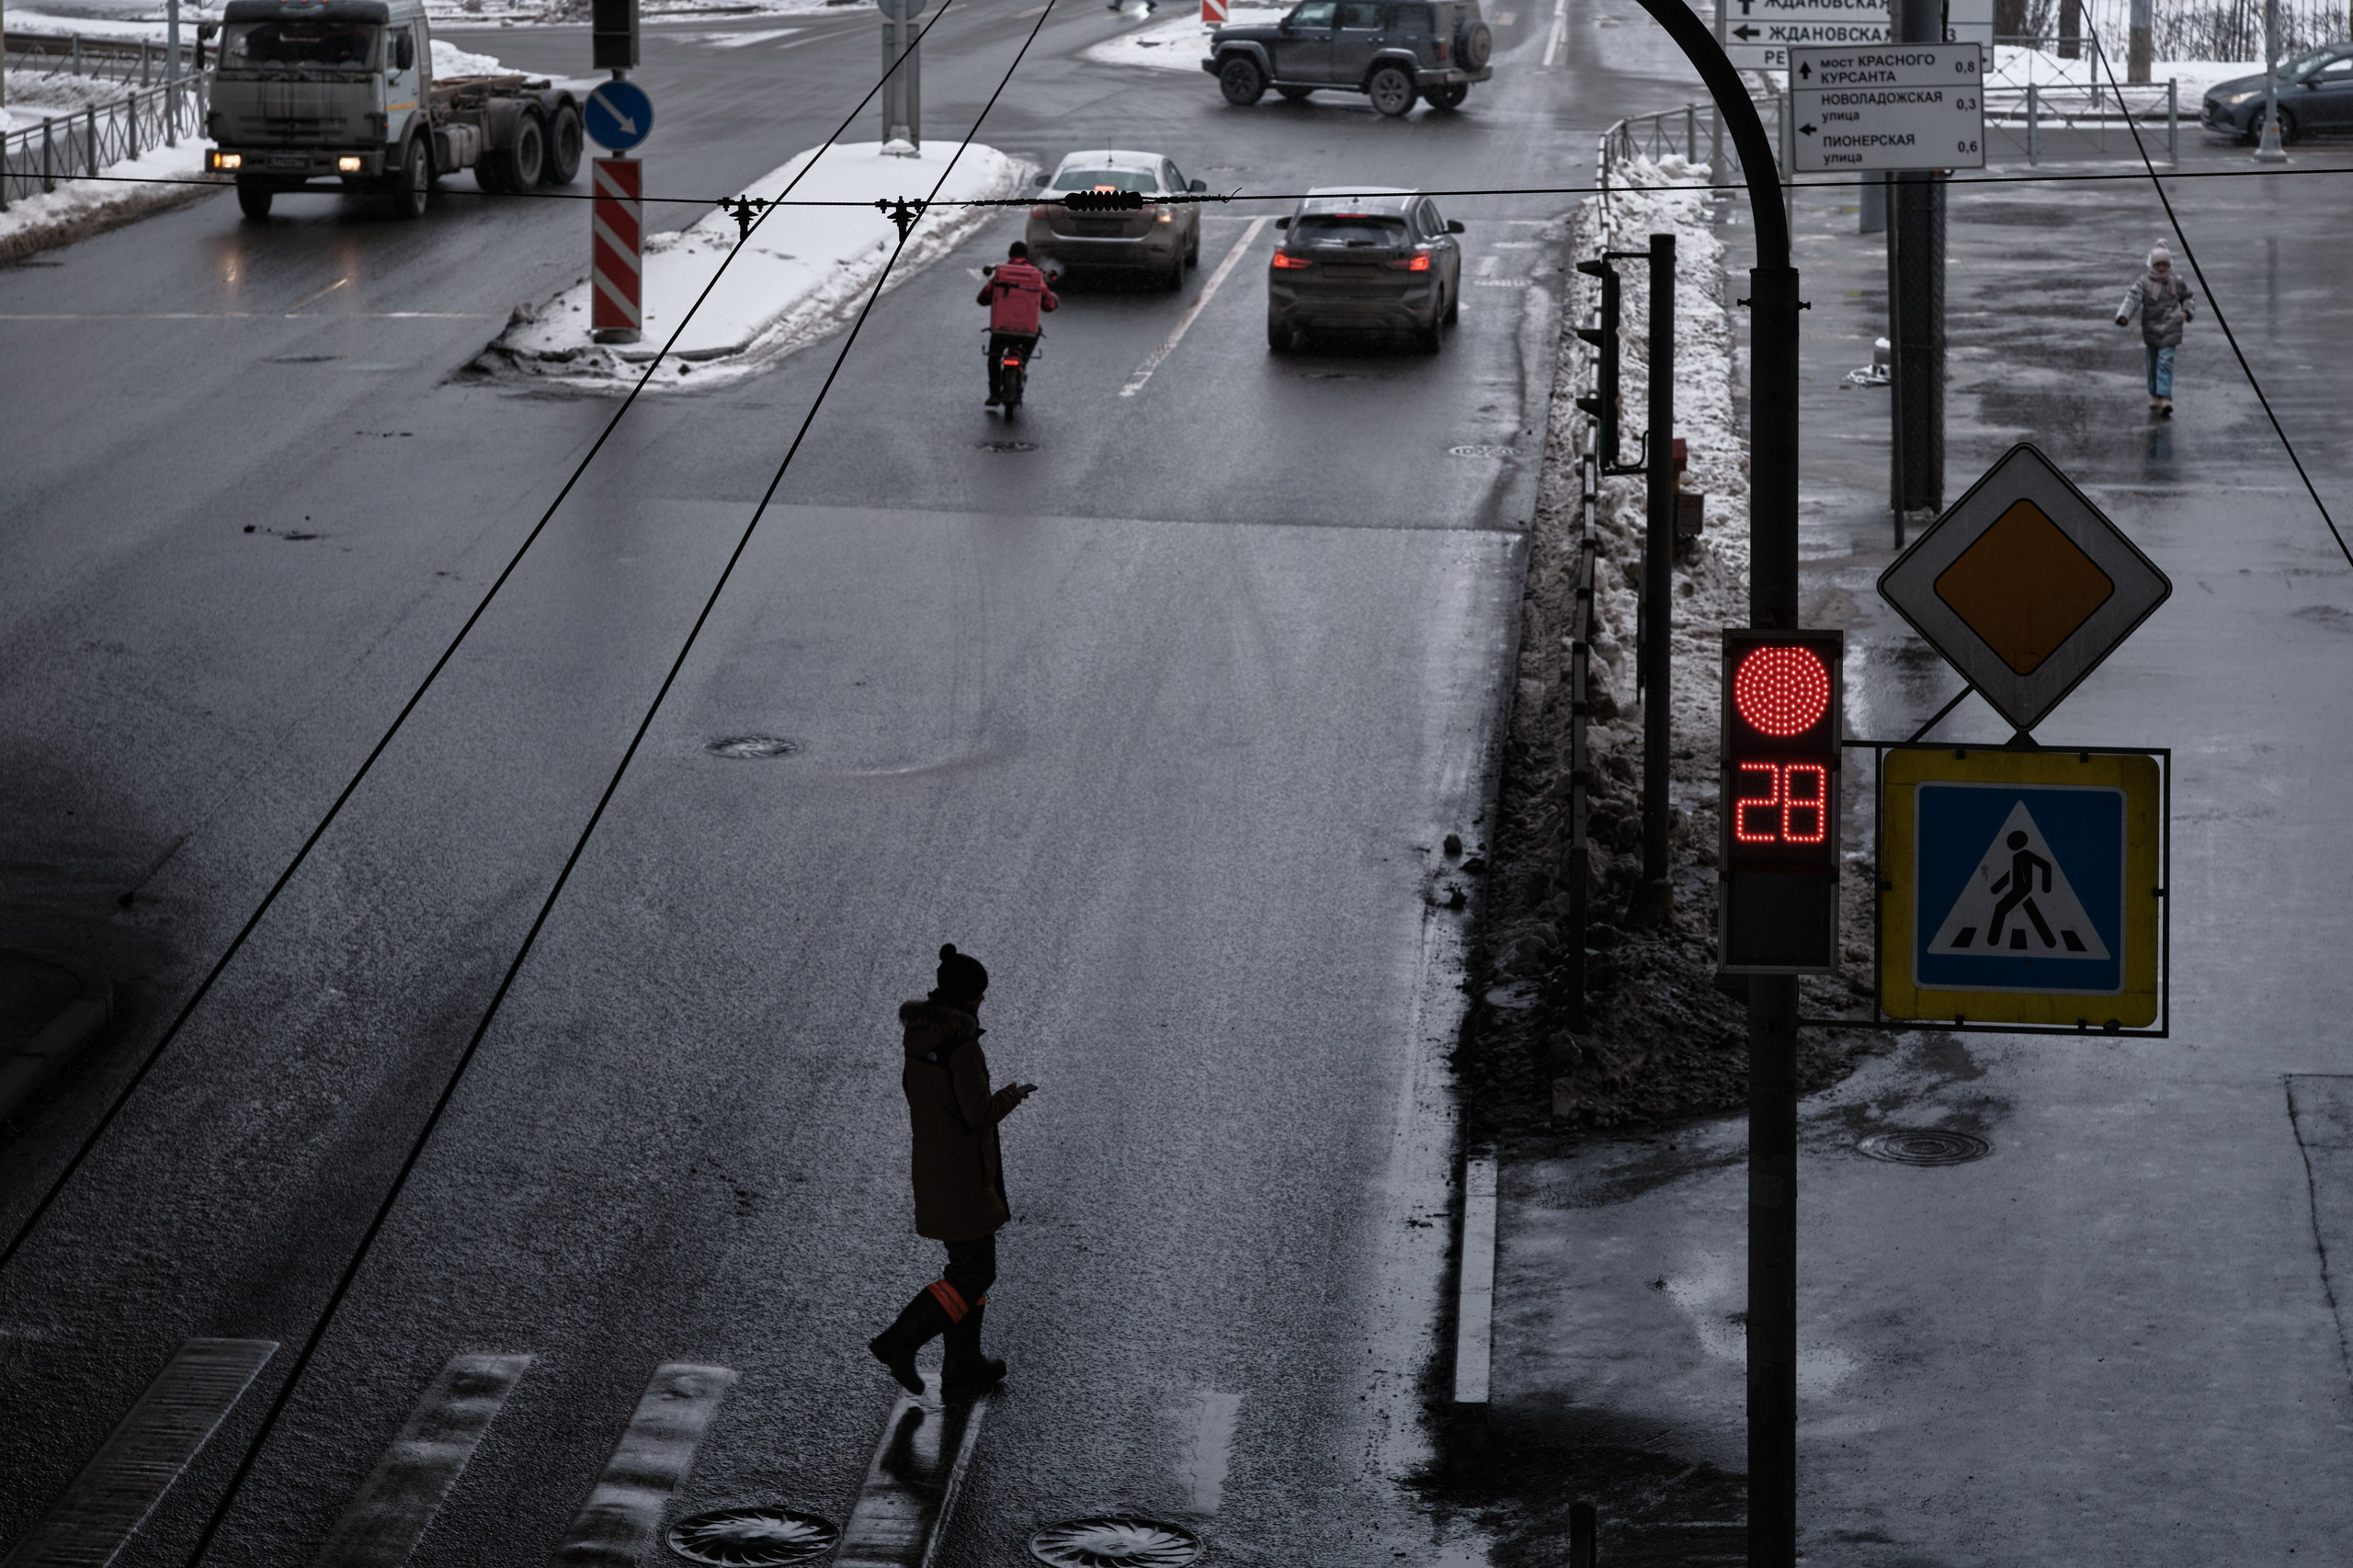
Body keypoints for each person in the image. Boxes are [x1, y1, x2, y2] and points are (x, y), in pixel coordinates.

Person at [868, 944, 1038, 1398]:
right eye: (980, 997)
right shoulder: (962, 1049)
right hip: (964, 1177)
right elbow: (978, 1113)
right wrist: (1011, 1095)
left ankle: (963, 1361)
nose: (983, 1003)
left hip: (933, 1167)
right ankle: (900, 1341)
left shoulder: (919, 1038)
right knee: (973, 1273)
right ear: (966, 1000)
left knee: (966, 1267)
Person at [2116, 241, 2193, 417]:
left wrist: (2186, 312)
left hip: (2171, 329)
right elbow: (2132, 299)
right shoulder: (2144, 282)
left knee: (2165, 363)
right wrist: (2124, 315)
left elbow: (2188, 297)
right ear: (2152, 264)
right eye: (2158, 264)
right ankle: (2154, 395)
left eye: (2165, 264)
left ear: (2169, 265)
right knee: (2152, 364)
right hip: (2151, 329)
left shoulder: (2177, 281)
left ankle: (2165, 398)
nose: (2161, 268)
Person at [976, 241, 1058, 407]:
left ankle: (994, 393)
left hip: (1002, 329)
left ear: (1010, 256)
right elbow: (1048, 305)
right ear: (1027, 256)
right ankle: (1023, 362)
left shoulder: (1000, 273)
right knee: (1037, 330)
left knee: (994, 357)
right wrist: (1055, 300)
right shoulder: (1035, 275)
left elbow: (982, 299)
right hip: (1026, 331)